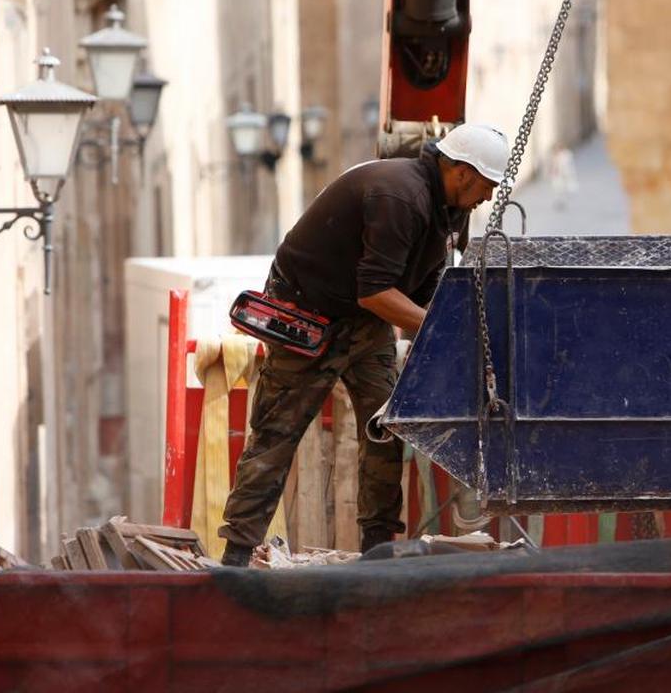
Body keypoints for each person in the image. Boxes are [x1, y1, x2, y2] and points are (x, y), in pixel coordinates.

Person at [218, 123, 511, 567]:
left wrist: (441, 333)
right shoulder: (399, 198)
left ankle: (378, 554)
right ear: (462, 172)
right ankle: (236, 557)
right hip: (308, 315)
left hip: (364, 320)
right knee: (277, 435)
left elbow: (425, 289)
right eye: (487, 185)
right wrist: (445, 328)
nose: (488, 197)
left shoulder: (451, 209)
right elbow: (374, 291)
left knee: (386, 428)